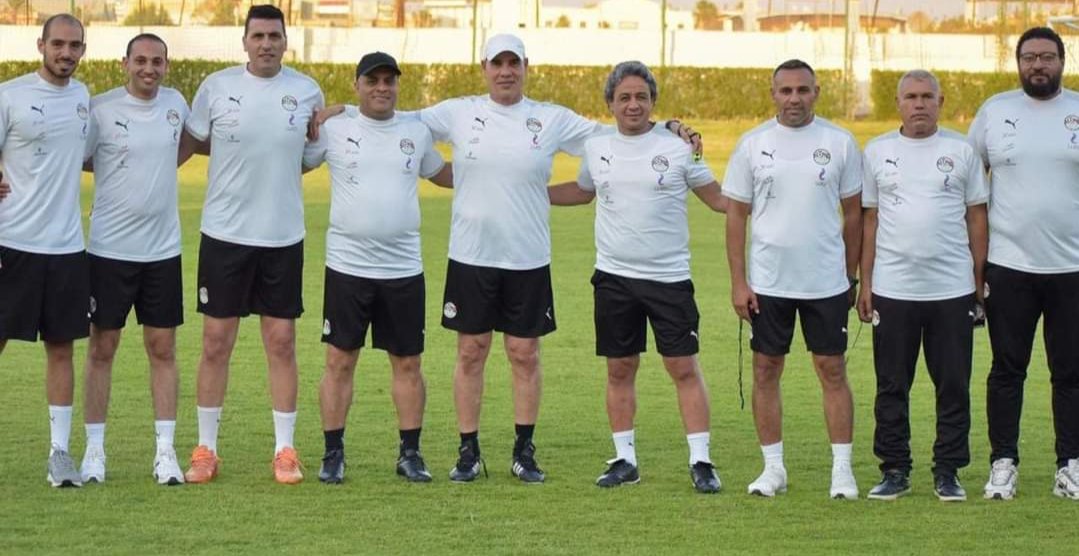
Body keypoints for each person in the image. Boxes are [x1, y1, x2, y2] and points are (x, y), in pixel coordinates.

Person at [417, 34, 700, 483]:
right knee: (471, 352)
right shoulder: (458, 111)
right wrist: (342, 114)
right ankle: (468, 451)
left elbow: (617, 127)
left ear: (525, 66)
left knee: (525, 354)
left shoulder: (550, 118)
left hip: (528, 257)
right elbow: (400, 125)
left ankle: (523, 451)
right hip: (471, 255)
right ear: (484, 67)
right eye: (497, 63)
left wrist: (669, 126)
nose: (506, 71)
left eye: (513, 63)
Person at [548, 61, 726, 493]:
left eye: (641, 97)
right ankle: (624, 459)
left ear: (653, 102)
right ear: (610, 103)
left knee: (683, 367)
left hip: (669, 279)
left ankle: (701, 461)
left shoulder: (680, 147)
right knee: (620, 368)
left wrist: (771, 198)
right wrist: (529, 192)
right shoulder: (597, 146)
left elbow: (719, 199)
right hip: (614, 279)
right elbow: (584, 191)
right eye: (624, 97)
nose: (633, 105)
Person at [181, 4, 324, 485]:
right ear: (244, 41)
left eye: (274, 36)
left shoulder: (306, 90)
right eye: (258, 36)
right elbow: (190, 143)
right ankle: (206, 449)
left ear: (286, 41)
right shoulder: (216, 87)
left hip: (282, 237)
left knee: (281, 343)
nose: (266, 44)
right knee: (215, 343)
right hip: (224, 235)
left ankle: (285, 450)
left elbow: (309, 155)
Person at [302, 52, 452, 484]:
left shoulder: (415, 131)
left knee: (408, 364)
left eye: (389, 80)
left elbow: (441, 173)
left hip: (403, 269)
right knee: (339, 361)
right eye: (373, 81)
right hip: (347, 267)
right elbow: (295, 161)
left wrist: (500, 176)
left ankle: (410, 454)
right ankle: (333, 454)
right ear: (357, 86)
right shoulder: (335, 128)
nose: (382, 88)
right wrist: (331, 112)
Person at [723, 59, 863, 499]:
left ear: (816, 92)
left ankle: (842, 471)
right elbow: (736, 215)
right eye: (786, 91)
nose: (794, 98)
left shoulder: (840, 142)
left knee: (832, 369)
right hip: (769, 283)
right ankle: (773, 469)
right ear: (773, 94)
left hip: (825, 282)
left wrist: (849, 275)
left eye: (803, 90)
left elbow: (855, 214)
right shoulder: (752, 144)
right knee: (766, 370)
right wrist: (739, 282)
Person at [859, 70, 989, 502]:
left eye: (927, 97)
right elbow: (870, 220)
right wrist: (865, 283)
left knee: (952, 384)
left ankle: (948, 471)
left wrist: (978, 282)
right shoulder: (877, 151)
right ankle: (894, 469)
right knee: (891, 385)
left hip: (951, 289)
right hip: (893, 289)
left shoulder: (961, 151)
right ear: (898, 103)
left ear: (940, 101)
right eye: (911, 97)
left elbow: (977, 217)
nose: (919, 104)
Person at [75, 33, 195, 486]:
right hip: (109, 251)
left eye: (157, 61)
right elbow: (78, 156)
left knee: (162, 349)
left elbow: (188, 144)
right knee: (102, 348)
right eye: (140, 60)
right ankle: (94, 452)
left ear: (167, 65)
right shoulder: (101, 109)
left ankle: (165, 453)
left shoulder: (176, 103)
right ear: (124, 63)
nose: (149, 68)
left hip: (162, 252)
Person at [969, 26, 1079, 501]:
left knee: (1070, 372)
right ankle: (1003, 464)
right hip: (1008, 265)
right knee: (1007, 370)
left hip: (1071, 269)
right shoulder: (995, 111)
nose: (1038, 65)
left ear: (1062, 61)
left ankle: (1070, 465)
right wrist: (974, 265)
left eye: (1047, 56)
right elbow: (970, 186)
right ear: (1017, 63)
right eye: (1029, 57)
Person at [0, 14, 90, 488]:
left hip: (67, 248)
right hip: (12, 242)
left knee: (61, 349)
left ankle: (59, 453)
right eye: (58, 44)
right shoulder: (9, 95)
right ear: (41, 45)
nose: (65, 53)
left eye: (74, 46)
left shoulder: (83, 97)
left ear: (83, 50)